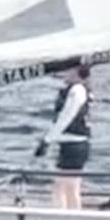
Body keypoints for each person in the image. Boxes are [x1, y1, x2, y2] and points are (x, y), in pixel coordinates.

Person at [34, 62, 91, 209]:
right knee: (70, 186)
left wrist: (47, 140)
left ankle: (64, 216)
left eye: (69, 69)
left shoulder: (77, 90)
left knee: (62, 185)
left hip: (74, 145)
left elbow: (66, 117)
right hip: (70, 143)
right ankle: (72, 215)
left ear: (76, 71)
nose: (65, 72)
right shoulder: (74, 90)